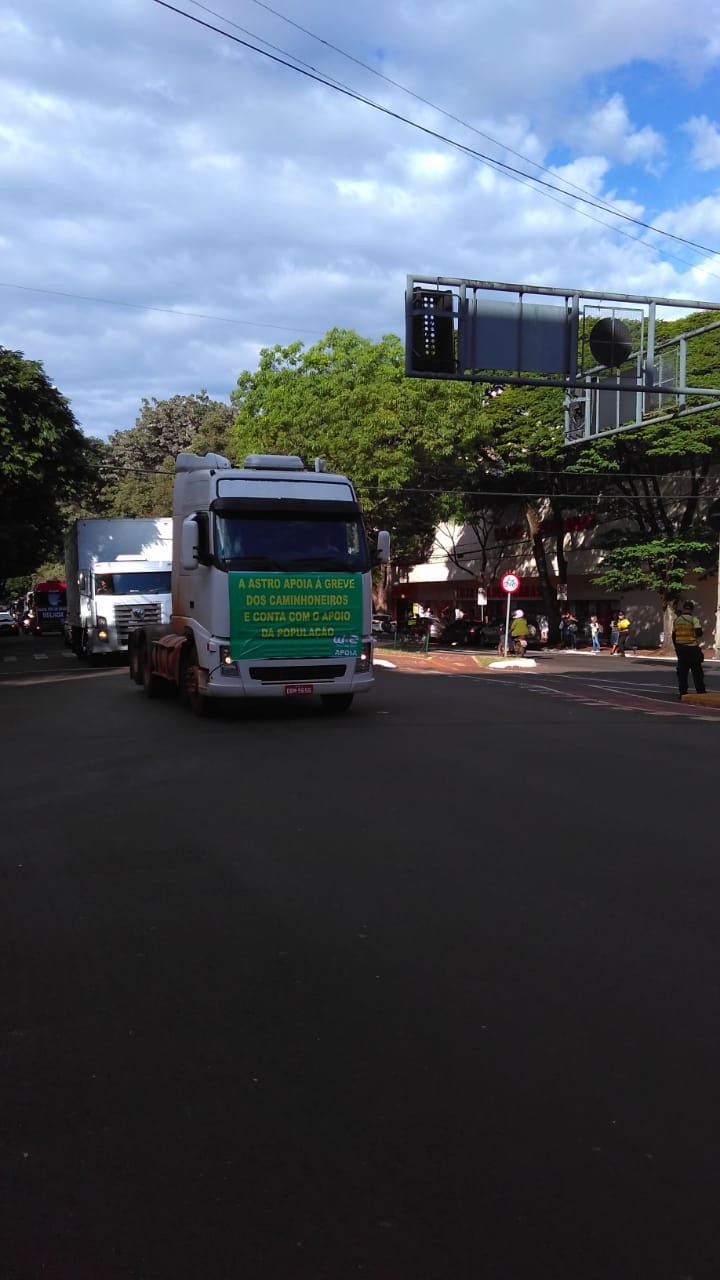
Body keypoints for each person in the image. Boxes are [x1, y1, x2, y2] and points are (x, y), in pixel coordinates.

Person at [672, 600, 706, 698]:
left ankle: (683, 692)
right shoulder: (693, 619)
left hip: (681, 649)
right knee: (697, 672)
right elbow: (699, 632)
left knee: (682, 672)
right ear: (692, 609)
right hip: (692, 648)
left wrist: (677, 647)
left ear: (683, 609)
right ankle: (701, 692)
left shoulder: (677, 620)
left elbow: (674, 635)